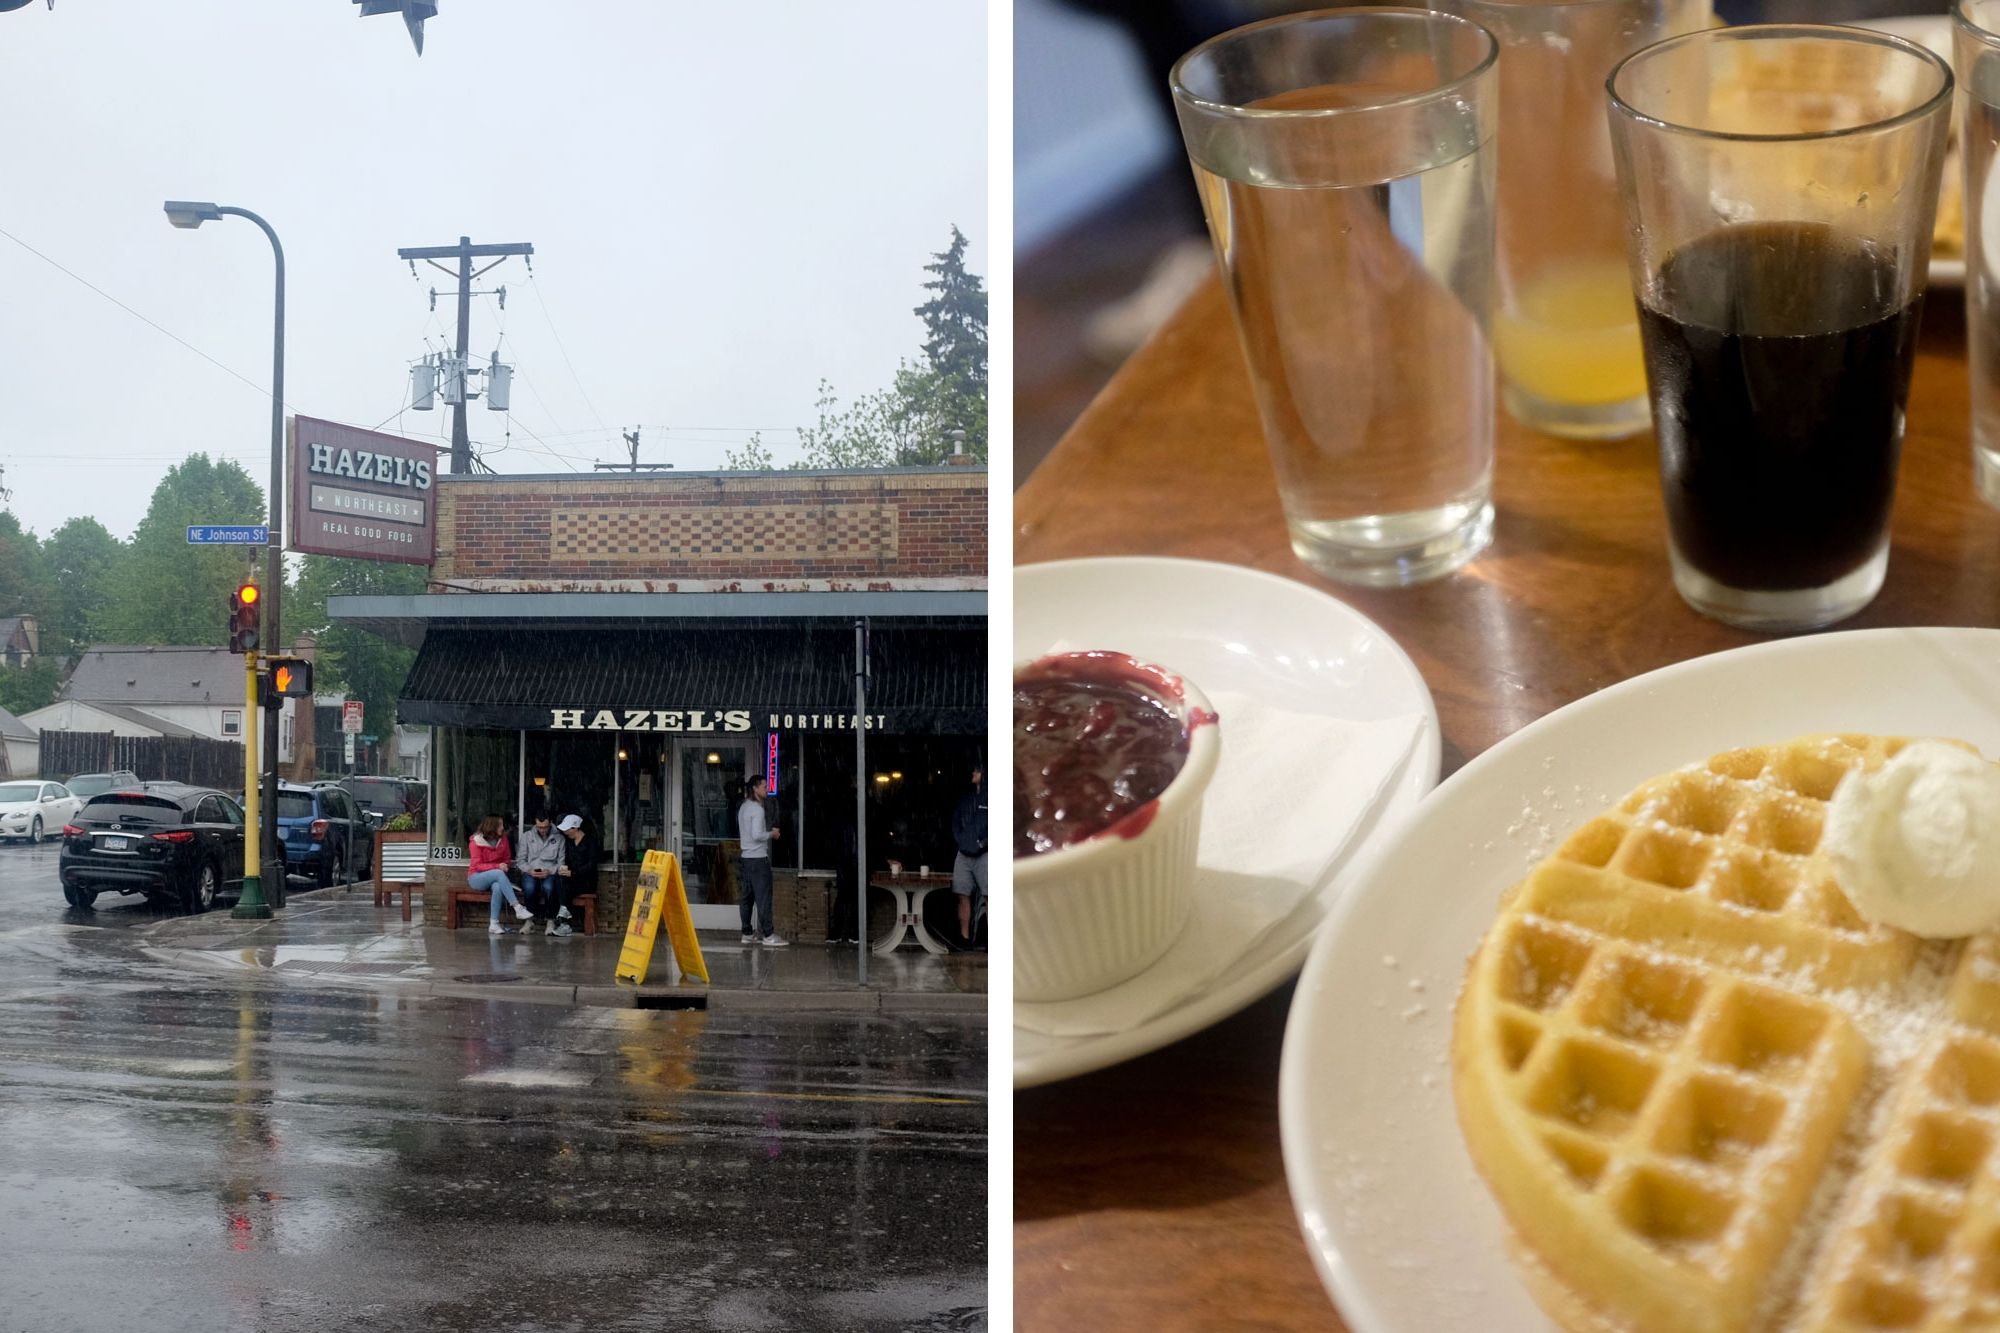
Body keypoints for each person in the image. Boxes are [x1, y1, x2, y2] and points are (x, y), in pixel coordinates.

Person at [737, 773, 786, 947]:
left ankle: (747, 932)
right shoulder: (757, 809)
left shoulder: (743, 807)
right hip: (758, 859)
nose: (767, 789)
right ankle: (769, 934)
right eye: (764, 786)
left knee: (747, 898)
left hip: (745, 858)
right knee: (763, 897)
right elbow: (757, 835)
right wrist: (772, 833)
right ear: (755, 789)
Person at [468, 815, 533, 935]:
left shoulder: (503, 839)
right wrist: (497, 866)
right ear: (492, 826)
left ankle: (494, 923)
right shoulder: (476, 841)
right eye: (500, 825)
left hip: (496, 876)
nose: (503, 827)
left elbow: (507, 858)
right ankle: (517, 907)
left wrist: (504, 864)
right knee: (498, 873)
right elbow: (477, 865)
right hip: (477, 877)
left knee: (498, 886)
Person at [952, 764, 988, 950]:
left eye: (977, 771)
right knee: (962, 894)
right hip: (964, 853)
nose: (973, 773)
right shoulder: (966, 798)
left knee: (990, 895)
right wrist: (961, 841)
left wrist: (983, 844)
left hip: (986, 854)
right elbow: (956, 822)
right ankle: (964, 939)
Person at [515, 812, 565, 929]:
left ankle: (550, 920)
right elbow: (520, 860)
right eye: (539, 827)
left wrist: (550, 871)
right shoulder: (527, 836)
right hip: (531, 871)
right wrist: (529, 870)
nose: (542, 830)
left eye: (545, 827)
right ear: (535, 824)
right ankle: (529, 920)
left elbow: (561, 863)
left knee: (549, 888)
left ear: (550, 823)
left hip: (550, 871)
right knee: (529, 887)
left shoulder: (559, 838)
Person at [552, 813, 597, 938]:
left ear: (575, 828)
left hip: (586, 880)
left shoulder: (590, 842)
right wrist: (565, 869)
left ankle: (563, 917)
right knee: (560, 880)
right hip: (571, 880)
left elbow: (591, 865)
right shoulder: (569, 843)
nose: (566, 832)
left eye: (568, 829)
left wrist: (574, 872)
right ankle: (563, 915)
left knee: (564, 886)